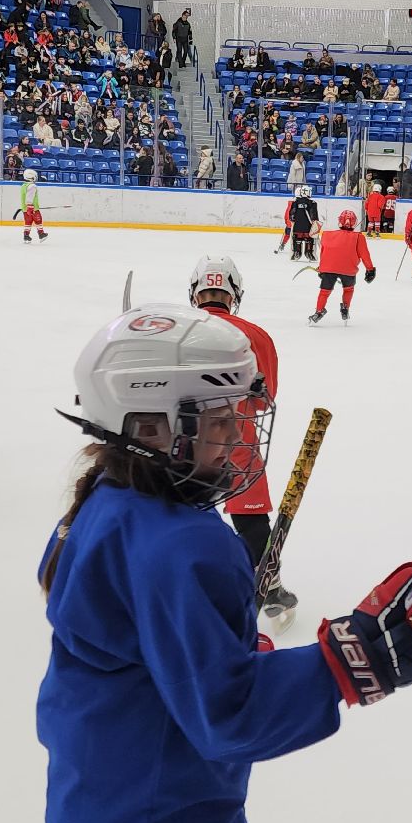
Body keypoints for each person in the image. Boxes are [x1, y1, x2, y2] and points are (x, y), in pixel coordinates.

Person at [36, 305, 412, 823]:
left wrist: (215, 646)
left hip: (93, 815)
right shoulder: (186, 547)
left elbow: (132, 647)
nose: (237, 433)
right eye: (218, 419)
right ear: (149, 427)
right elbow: (229, 716)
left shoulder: (103, 498)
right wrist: (348, 663)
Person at [187, 255, 296, 615]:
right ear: (234, 292)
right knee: (250, 515)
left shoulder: (177, 328)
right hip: (237, 440)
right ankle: (269, 588)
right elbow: (266, 399)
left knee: (182, 510)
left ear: (195, 291)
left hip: (180, 444)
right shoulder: (256, 335)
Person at [308, 209, 374, 324]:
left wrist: (322, 268)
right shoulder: (359, 237)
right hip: (349, 270)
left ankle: (318, 311)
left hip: (329, 268)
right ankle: (345, 308)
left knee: (324, 291)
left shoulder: (327, 235)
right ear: (354, 223)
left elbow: (324, 253)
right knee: (348, 289)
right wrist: (370, 270)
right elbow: (365, 255)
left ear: (340, 221)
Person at [284, 184, 319, 260]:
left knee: (296, 239)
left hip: (297, 227)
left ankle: (296, 252)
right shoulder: (312, 203)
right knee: (309, 240)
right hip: (308, 228)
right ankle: (309, 253)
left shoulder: (295, 202)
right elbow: (314, 216)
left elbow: (292, 215)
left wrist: (293, 221)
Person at [19, 167, 49, 243]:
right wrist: (30, 208)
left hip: (25, 209)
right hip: (33, 208)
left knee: (28, 222)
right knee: (38, 220)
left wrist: (27, 208)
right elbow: (29, 197)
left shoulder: (23, 185)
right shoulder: (32, 186)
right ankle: (41, 234)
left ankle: (26, 236)